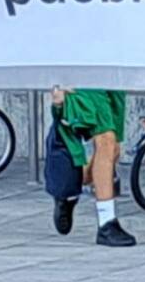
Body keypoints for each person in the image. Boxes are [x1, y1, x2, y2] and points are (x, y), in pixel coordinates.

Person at [50, 88, 135, 246]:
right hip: (85, 82)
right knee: (106, 140)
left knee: (113, 150)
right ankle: (106, 223)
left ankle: (68, 190)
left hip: (113, 81)